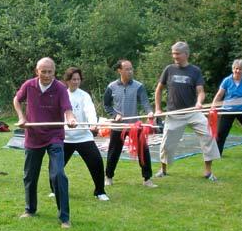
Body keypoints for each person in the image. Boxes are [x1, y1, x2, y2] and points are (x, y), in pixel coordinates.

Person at [13, 57, 77, 228]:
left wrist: (70, 119)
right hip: (33, 136)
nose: (47, 75)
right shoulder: (29, 85)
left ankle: (64, 217)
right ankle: (30, 209)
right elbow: (16, 100)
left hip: (54, 136)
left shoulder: (60, 88)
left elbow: (67, 109)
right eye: (44, 71)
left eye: (50, 72)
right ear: (37, 71)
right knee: (30, 176)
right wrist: (21, 117)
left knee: (58, 175)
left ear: (54, 72)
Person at [155, 42, 221, 181]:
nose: (175, 56)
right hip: (174, 113)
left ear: (186, 54)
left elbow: (201, 92)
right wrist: (158, 108)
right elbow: (159, 89)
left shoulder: (195, 71)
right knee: (166, 143)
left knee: (208, 136)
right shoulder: (169, 69)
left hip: (193, 112)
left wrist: (199, 102)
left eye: (177, 53)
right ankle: (163, 169)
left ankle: (208, 172)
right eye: (173, 53)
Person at [49, 67, 109, 201]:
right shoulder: (62, 94)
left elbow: (90, 110)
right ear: (67, 81)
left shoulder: (84, 96)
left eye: (78, 79)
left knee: (97, 163)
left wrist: (93, 123)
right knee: (55, 165)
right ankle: (54, 189)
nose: (76, 82)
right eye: (73, 79)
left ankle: (100, 191)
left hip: (83, 137)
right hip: (65, 138)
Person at [103, 59, 156, 188]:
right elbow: (106, 105)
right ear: (119, 70)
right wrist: (115, 115)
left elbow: (145, 102)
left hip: (134, 126)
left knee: (143, 151)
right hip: (118, 126)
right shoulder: (111, 87)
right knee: (114, 152)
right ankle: (109, 176)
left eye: (131, 69)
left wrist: (149, 112)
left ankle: (147, 179)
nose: (130, 71)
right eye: (127, 69)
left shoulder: (138, 86)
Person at [210, 59, 242, 158]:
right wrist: (213, 106)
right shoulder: (227, 80)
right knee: (221, 133)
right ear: (233, 69)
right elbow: (219, 94)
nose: (238, 71)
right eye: (236, 69)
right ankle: (217, 154)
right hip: (228, 110)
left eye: (240, 69)